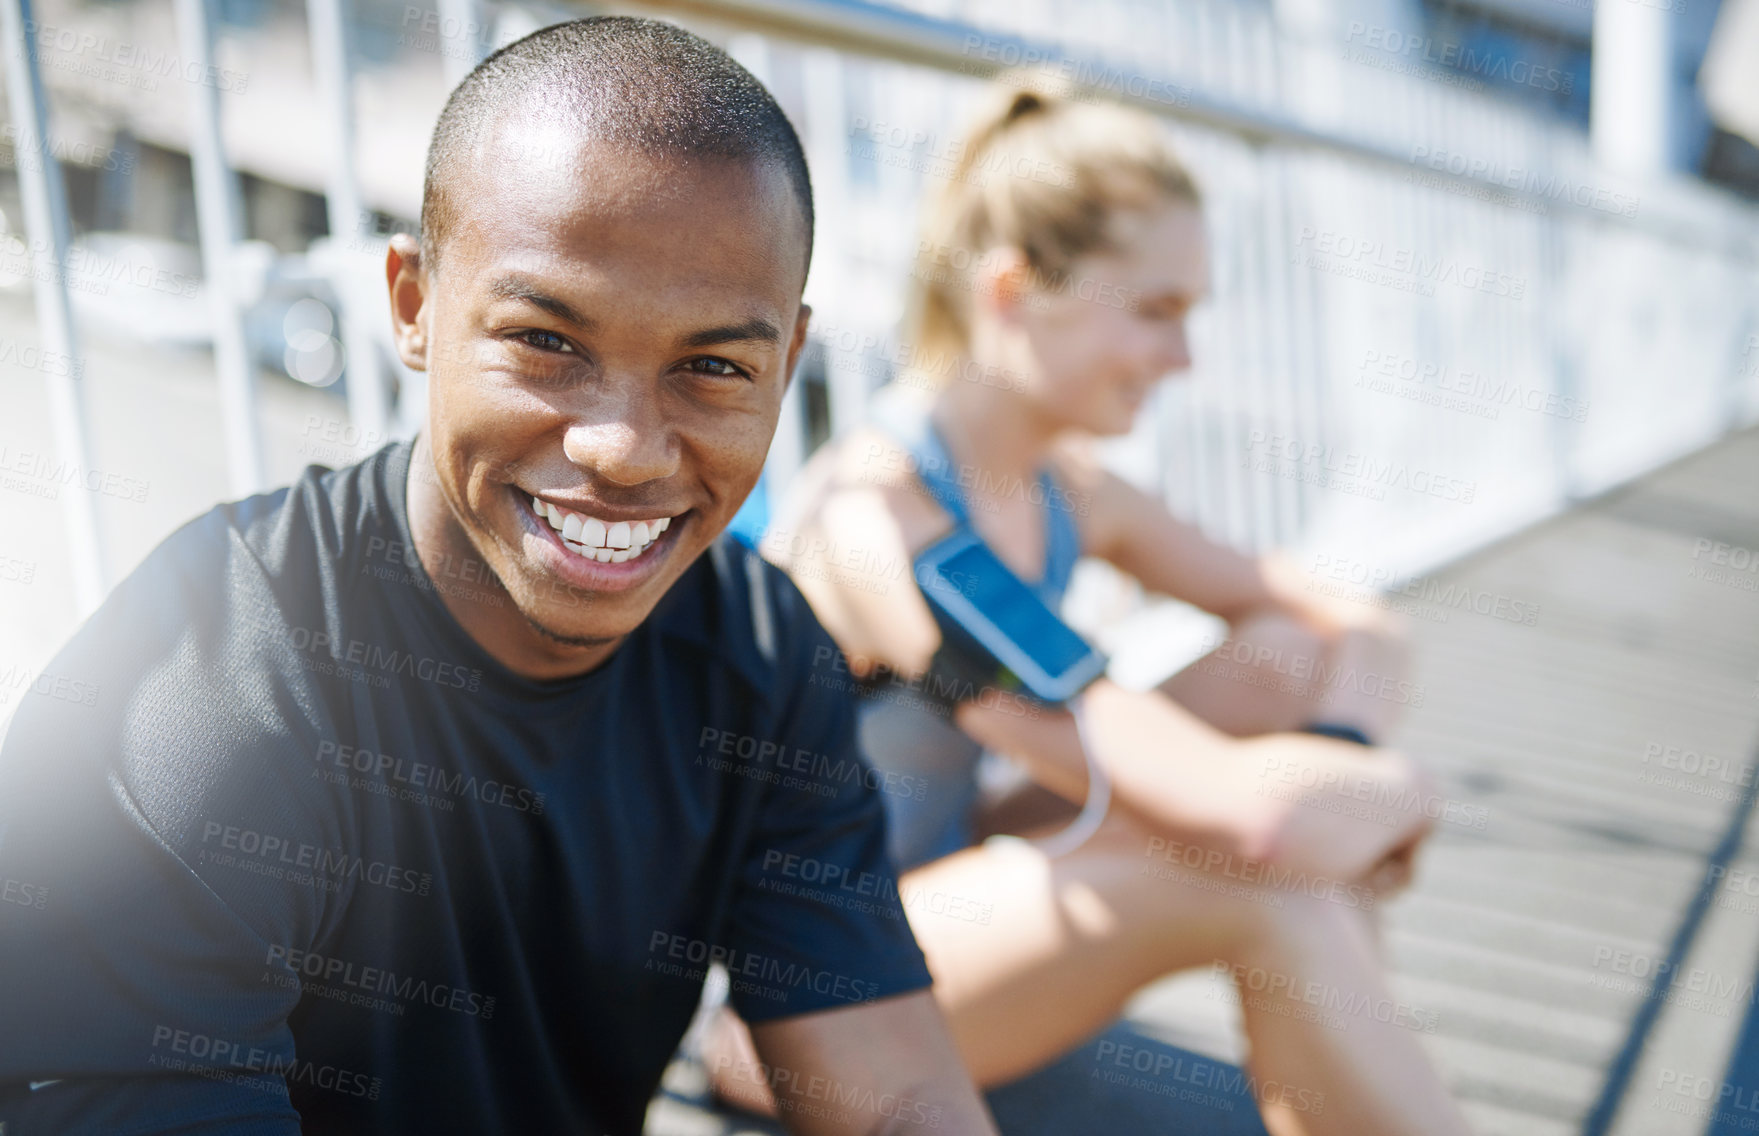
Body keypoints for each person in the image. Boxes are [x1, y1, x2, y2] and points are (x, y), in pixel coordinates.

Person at [0, 18, 999, 1136]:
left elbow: (896, 1094)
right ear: (414, 304)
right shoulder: (210, 686)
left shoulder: (761, 658)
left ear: (791, 365)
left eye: (713, 366)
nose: (623, 447)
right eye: (545, 341)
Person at [711, 80, 1474, 1136]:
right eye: (1157, 310)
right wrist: (1401, 786)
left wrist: (1336, 742)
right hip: (799, 1002)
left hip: (947, 898)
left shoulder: (1070, 490)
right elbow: (1247, 817)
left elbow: (1337, 618)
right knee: (1261, 874)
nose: (1184, 357)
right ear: (1015, 291)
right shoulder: (884, 524)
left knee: (1281, 663)